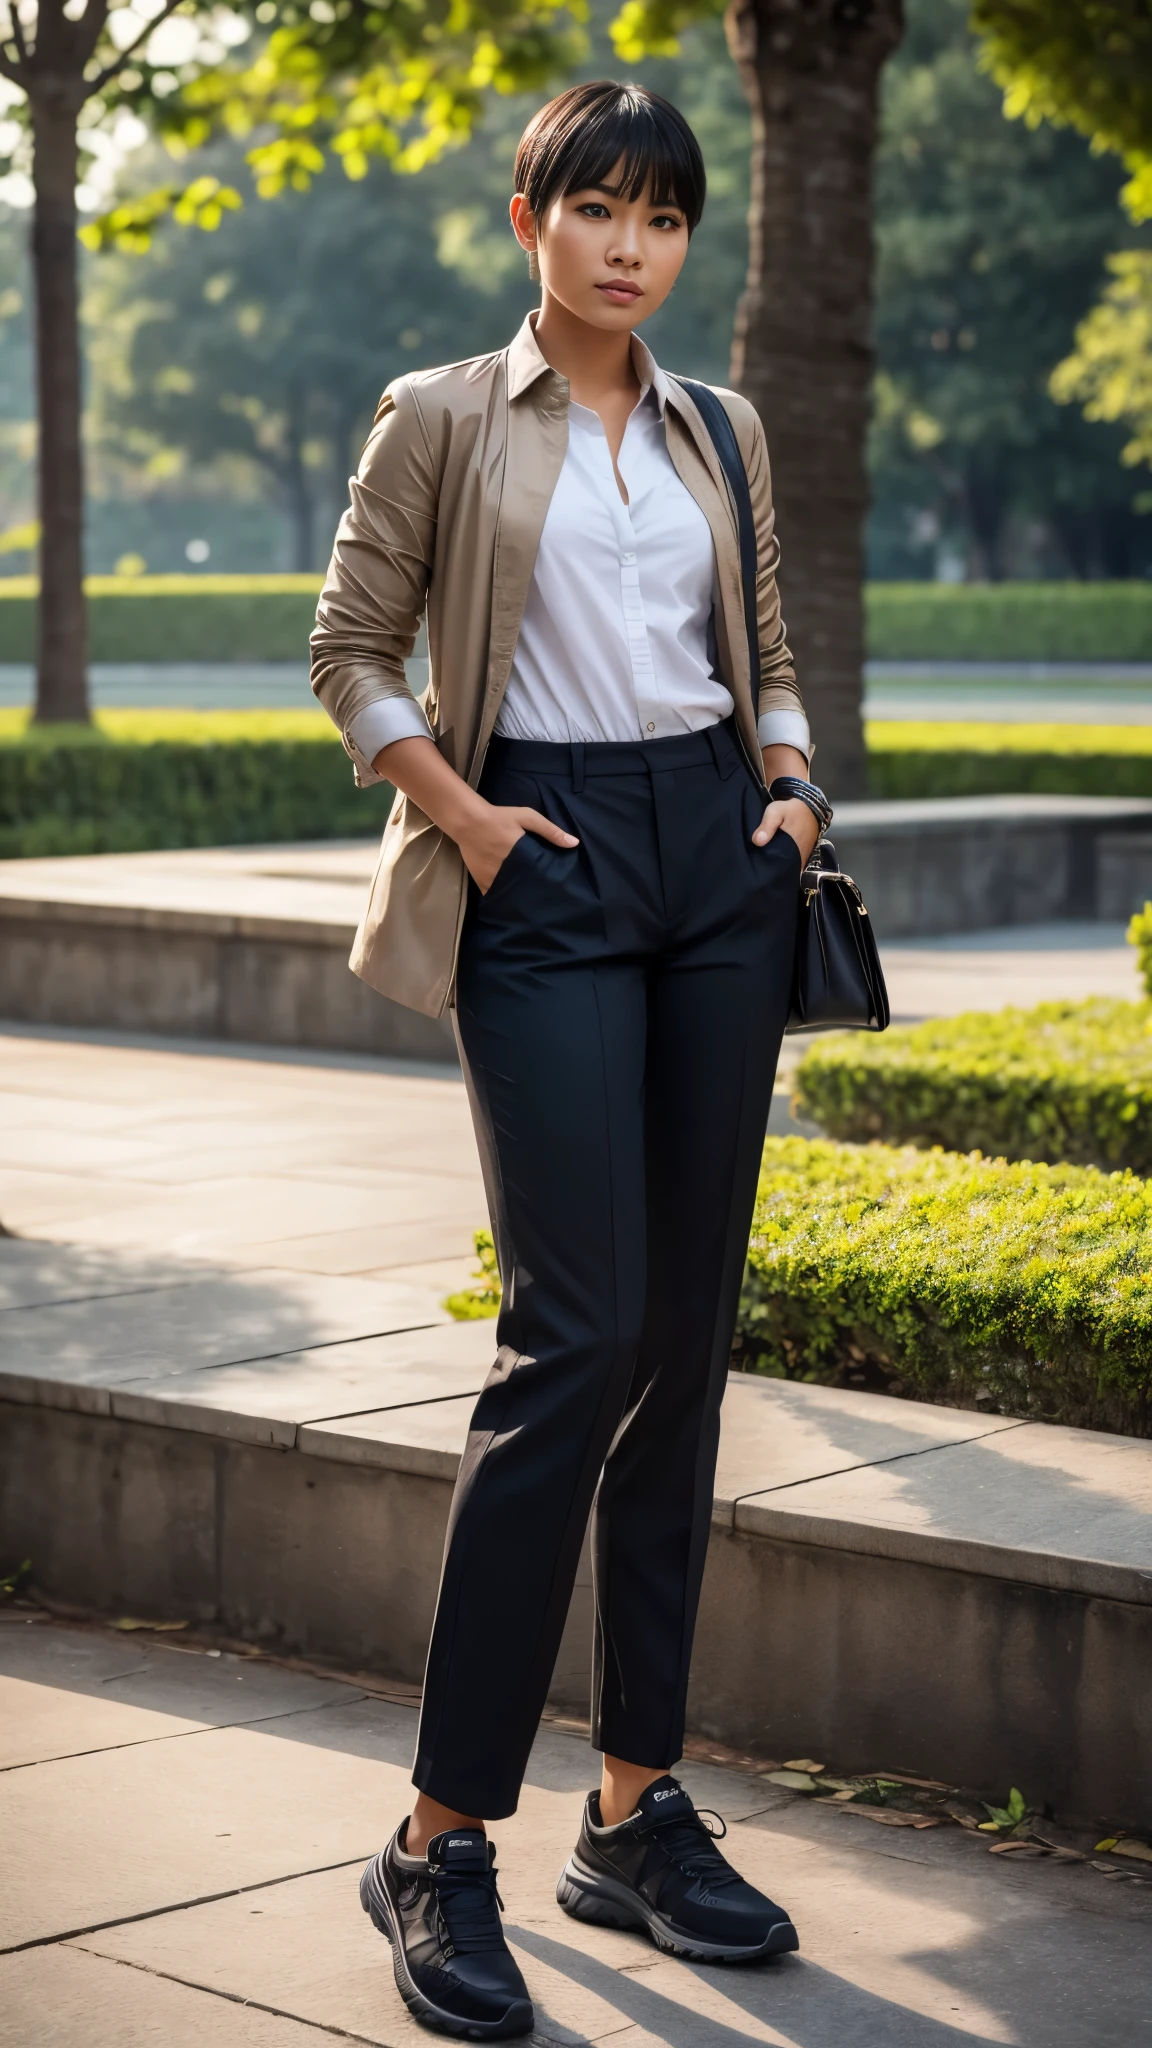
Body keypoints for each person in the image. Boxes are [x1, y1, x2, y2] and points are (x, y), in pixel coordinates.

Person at [311, 78, 826, 2041]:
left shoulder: (723, 427)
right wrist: (465, 809)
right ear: (531, 213)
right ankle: (441, 1836)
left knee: (685, 1339)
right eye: (596, 206)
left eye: (664, 217)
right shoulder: (443, 414)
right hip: (536, 854)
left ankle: (637, 1804)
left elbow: (763, 638)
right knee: (576, 1337)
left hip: (720, 858)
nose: (630, 245)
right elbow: (348, 651)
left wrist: (788, 787)